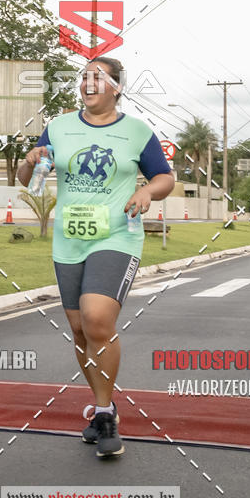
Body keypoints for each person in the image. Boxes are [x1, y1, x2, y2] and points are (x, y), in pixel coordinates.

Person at [17, 56, 174, 458]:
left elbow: (165, 176)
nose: (88, 83)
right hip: (70, 240)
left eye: (98, 77)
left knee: (97, 319)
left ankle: (104, 413)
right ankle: (104, 403)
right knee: (80, 331)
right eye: (83, 77)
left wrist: (147, 192)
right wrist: (29, 161)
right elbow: (30, 178)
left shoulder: (137, 132)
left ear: (116, 87)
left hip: (117, 235)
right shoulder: (59, 127)